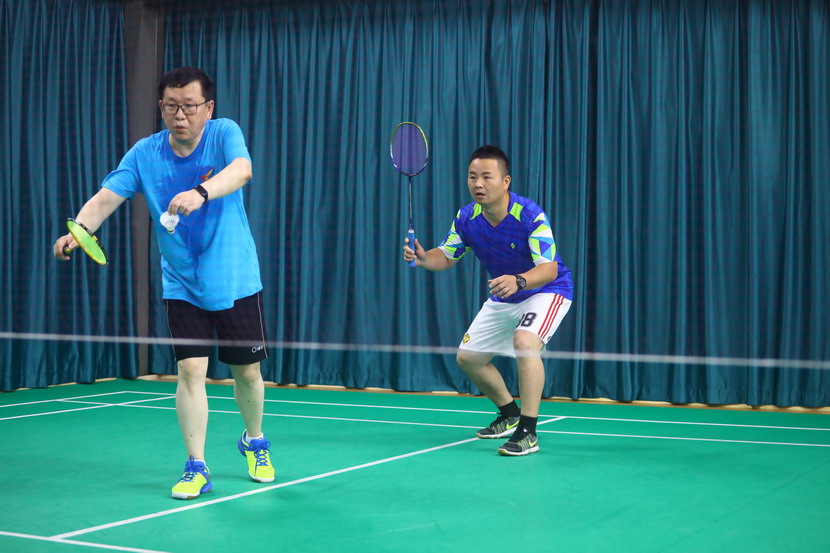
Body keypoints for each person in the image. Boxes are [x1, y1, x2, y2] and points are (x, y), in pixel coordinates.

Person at [53, 67, 274, 498]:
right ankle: (196, 465)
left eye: (189, 106)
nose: (180, 116)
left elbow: (242, 170)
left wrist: (202, 192)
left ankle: (254, 441)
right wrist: (79, 231)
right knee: (190, 370)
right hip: (182, 282)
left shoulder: (224, 132)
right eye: (171, 107)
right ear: (161, 107)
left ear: (208, 108)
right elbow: (106, 198)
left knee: (247, 372)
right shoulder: (144, 153)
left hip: (235, 277)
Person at [403, 145, 573, 456]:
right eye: (472, 177)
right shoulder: (467, 217)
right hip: (505, 294)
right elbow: (447, 256)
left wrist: (519, 280)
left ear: (505, 182)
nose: (478, 184)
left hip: (546, 290)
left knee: (525, 342)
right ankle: (509, 413)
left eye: (486, 177)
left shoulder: (529, 215)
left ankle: (528, 430)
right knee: (468, 357)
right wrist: (425, 258)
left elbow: (548, 269)